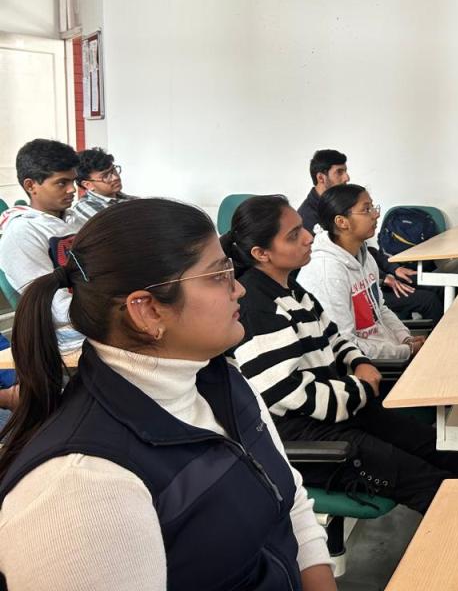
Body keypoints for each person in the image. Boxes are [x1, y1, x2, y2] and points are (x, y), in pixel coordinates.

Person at [0, 198, 337, 591]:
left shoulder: (218, 378)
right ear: (147, 311)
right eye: (219, 275)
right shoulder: (81, 489)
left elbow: (290, 503)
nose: (239, 288)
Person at [223, 195, 458, 526]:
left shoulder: (292, 291)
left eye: (303, 228)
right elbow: (288, 393)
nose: (308, 237)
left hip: (337, 411)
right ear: (262, 253)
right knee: (433, 485)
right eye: (293, 235)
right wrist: (359, 388)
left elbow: (334, 336)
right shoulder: (257, 308)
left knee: (444, 449)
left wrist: (359, 362)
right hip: (308, 436)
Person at [296, 149, 442, 323]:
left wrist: (393, 269)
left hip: (370, 276)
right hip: (359, 286)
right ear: (321, 178)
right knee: (428, 300)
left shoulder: (345, 206)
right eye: (339, 172)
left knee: (439, 286)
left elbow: (363, 251)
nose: (347, 177)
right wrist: (383, 279)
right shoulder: (310, 221)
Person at [298, 184, 424, 361]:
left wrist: (405, 338)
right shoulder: (327, 272)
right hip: (366, 365)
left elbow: (380, 309)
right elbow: (344, 344)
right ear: (342, 222)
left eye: (373, 207)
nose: (376, 214)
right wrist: (405, 351)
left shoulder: (362, 254)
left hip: (388, 351)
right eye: (366, 210)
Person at [0, 139, 85, 355]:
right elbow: (51, 305)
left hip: (92, 316)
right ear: (31, 186)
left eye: (73, 181)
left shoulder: (76, 221)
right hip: (63, 337)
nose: (72, 190)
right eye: (61, 183)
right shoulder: (22, 233)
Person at [70, 147, 136, 222]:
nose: (115, 177)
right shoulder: (85, 207)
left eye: (113, 170)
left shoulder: (125, 198)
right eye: (105, 176)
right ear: (88, 185)